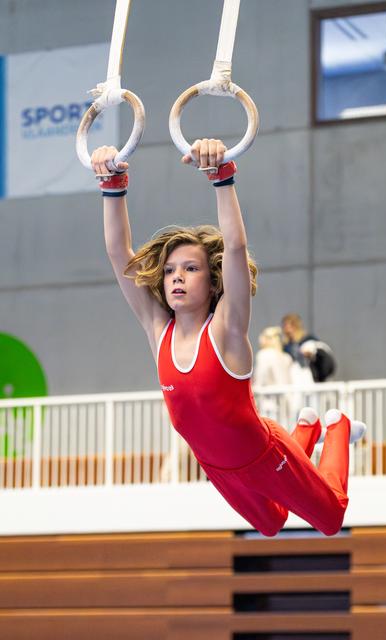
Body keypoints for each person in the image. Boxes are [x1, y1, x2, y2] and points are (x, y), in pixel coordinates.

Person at [91, 138, 366, 537]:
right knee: (271, 524)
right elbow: (119, 254)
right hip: (219, 471)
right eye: (170, 271)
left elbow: (235, 246)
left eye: (190, 269)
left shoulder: (226, 329)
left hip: (265, 455)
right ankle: (306, 428)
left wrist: (222, 177)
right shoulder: (157, 330)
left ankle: (336, 425)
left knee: (330, 519)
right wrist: (111, 184)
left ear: (214, 279)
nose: (177, 278)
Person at [282, 313, 336, 382]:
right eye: (285, 326)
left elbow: (322, 359)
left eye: (290, 326)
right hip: (294, 379)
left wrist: (311, 355)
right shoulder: (286, 346)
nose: (287, 330)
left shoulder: (309, 340)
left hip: (312, 378)